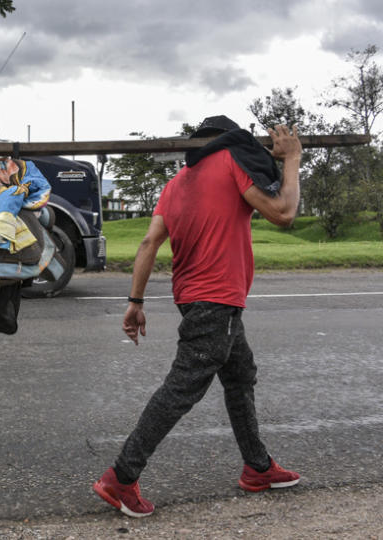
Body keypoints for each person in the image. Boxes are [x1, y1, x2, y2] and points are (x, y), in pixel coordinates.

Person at [92, 116, 303, 518]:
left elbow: (149, 241)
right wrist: (291, 159)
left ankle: (257, 468)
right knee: (183, 387)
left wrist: (135, 300)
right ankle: (121, 477)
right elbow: (283, 212)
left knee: (240, 374)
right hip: (217, 300)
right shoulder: (230, 161)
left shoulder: (176, 184)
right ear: (227, 142)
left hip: (195, 299)